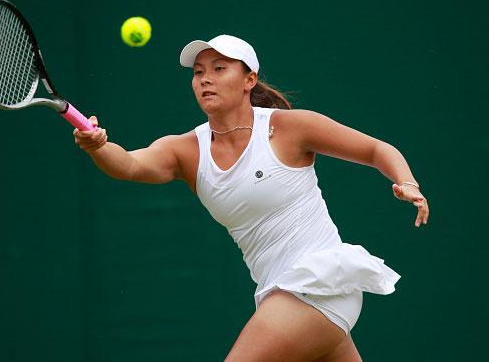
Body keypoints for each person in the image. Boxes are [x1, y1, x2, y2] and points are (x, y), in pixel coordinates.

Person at [74, 34, 429, 361]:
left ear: (249, 80)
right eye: (198, 72)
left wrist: (407, 182)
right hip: (281, 295)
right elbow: (130, 164)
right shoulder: (184, 150)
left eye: (219, 68)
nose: (205, 79)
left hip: (318, 284)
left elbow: (376, 149)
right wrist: (98, 147)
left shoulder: (289, 128)